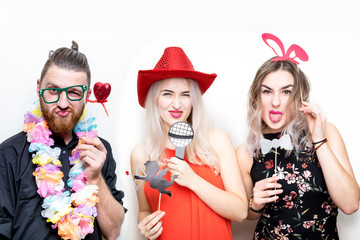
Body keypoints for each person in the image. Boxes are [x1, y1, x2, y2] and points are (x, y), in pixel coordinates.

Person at [236, 33, 360, 240]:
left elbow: (351, 204)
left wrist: (319, 141)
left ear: (299, 97)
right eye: (267, 92)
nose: (276, 102)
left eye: (286, 92)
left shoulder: (326, 133)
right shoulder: (246, 151)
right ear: (257, 97)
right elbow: (247, 215)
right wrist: (255, 203)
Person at [0, 41, 125, 240]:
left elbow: (113, 232)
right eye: (53, 90)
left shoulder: (100, 150)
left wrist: (95, 178)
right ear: (39, 88)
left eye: (74, 92)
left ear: (87, 95)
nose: (63, 103)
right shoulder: (9, 154)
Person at [131, 46, 247, 240]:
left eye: (185, 95)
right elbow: (144, 210)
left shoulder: (216, 140)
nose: (177, 104)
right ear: (154, 99)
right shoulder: (141, 155)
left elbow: (241, 212)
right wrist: (145, 224)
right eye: (167, 94)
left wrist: (193, 180)